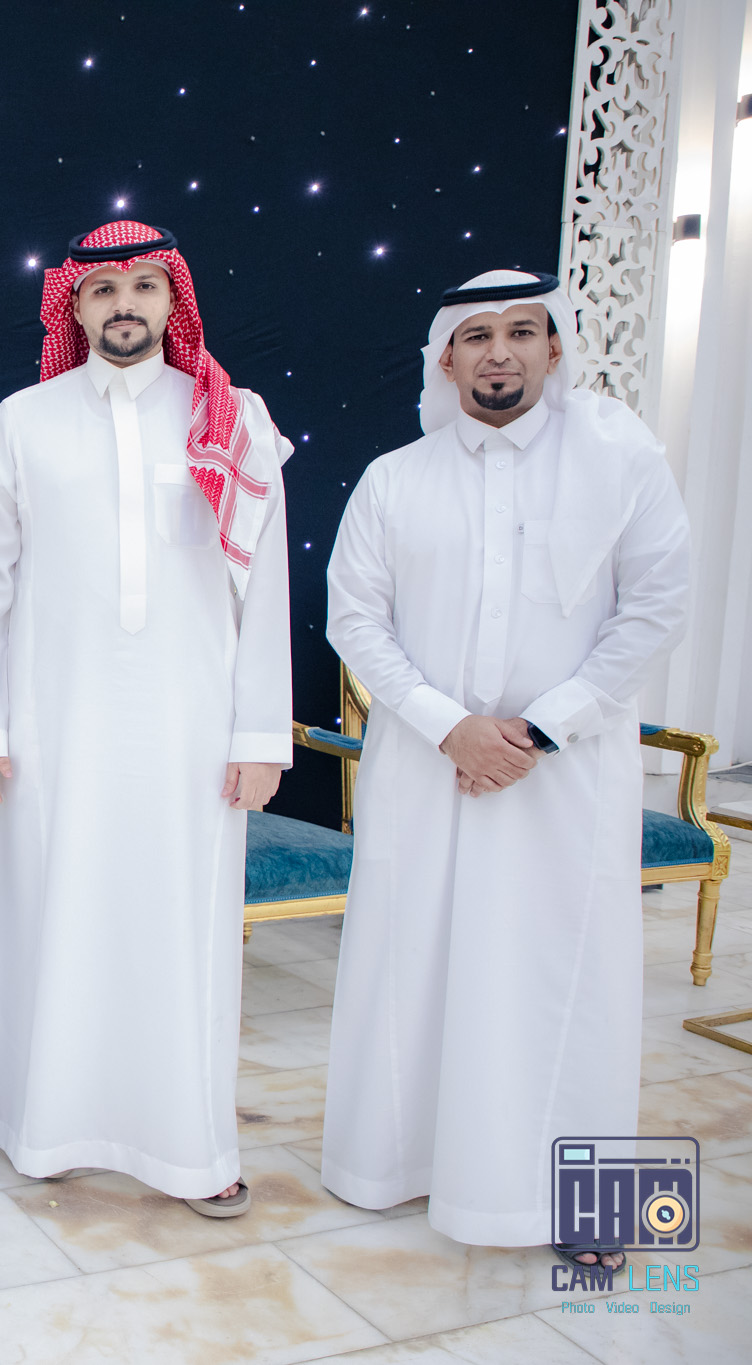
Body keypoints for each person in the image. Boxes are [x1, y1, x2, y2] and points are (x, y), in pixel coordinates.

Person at [322, 270, 691, 1268]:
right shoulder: (394, 479)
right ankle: (395, 1165)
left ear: (554, 347)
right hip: (427, 770)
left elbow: (656, 607)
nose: (499, 352)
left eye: (522, 331)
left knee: (565, 981)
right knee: (416, 966)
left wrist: (540, 729)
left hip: (564, 777)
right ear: (445, 358)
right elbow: (354, 619)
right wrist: (450, 728)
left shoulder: (619, 461)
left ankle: (586, 1205)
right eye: (477, 335)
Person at [0, 220, 293, 1216]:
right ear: (73, 304)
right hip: (53, 724)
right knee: (55, 917)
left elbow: (263, 588)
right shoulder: (22, 420)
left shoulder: (230, 416)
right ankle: (50, 1129)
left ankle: (192, 1147)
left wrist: (260, 734)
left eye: (144, 286)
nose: (124, 305)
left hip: (192, 731)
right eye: (102, 289)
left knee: (181, 932)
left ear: (172, 300)